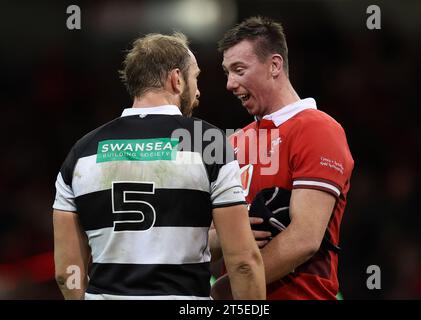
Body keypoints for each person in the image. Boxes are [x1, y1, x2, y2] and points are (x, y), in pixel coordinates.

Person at [52, 32, 265, 300]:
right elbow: (243, 262)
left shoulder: (81, 152)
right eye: (195, 77)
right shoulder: (207, 143)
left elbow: (65, 272)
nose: (198, 91)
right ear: (176, 79)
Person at [210, 16, 354, 300]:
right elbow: (209, 237)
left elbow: (304, 239)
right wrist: (229, 238)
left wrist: (233, 285)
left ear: (275, 65)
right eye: (227, 72)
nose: (229, 83)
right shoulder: (233, 142)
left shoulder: (317, 128)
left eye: (239, 70)